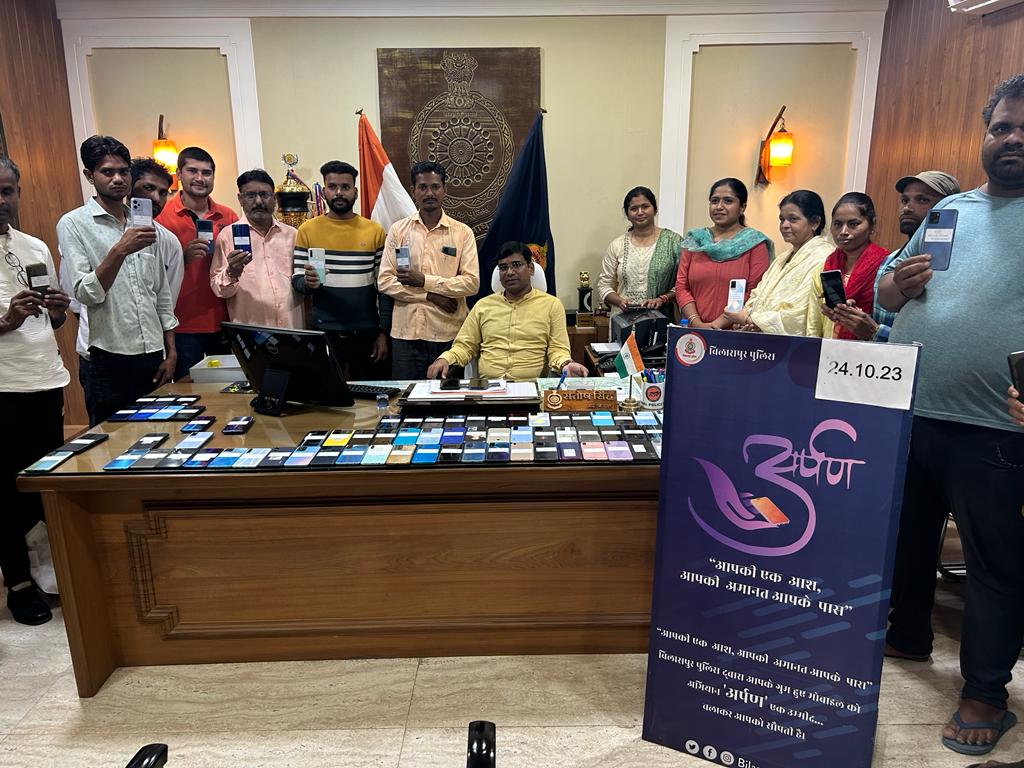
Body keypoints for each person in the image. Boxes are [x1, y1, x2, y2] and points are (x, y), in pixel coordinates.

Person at [876, 73, 1024, 758]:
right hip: (913, 412)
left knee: (994, 563)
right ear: (984, 135)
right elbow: (887, 294)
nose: (1013, 138)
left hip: (997, 427)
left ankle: (986, 694)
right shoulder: (950, 212)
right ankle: (907, 635)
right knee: (906, 537)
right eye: (1003, 127)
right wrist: (894, 284)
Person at [58, 136, 177, 426]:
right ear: (90, 175)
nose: (118, 179)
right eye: (107, 172)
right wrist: (120, 250)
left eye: (123, 171)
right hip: (107, 357)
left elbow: (161, 293)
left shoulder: (143, 223)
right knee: (111, 442)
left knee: (159, 434)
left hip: (153, 354)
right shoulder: (73, 224)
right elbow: (85, 293)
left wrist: (171, 351)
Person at [0, 156, 70, 626]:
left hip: (46, 379)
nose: (1, 200)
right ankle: (18, 583)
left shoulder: (34, 246)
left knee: (43, 484)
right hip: (3, 387)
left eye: (8, 191)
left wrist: (59, 309)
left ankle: (48, 570)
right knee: (6, 490)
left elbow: (53, 320)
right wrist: (6, 320)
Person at [426, 241, 588, 380]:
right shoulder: (483, 306)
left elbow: (558, 349)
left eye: (516, 265)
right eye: (503, 268)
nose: (509, 272)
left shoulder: (551, 305)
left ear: (531, 268)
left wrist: (566, 364)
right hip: (489, 390)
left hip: (531, 390)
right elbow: (464, 346)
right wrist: (444, 359)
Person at [378, 161, 479, 379]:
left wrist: (424, 280)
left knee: (449, 398)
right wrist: (431, 295)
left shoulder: (462, 233)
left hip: (448, 335)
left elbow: (471, 283)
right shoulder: (398, 231)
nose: (429, 193)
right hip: (405, 336)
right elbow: (385, 281)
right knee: (407, 396)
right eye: (423, 187)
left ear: (444, 189)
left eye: (435, 186)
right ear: (413, 191)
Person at [292, 160, 389, 379]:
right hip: (324, 331)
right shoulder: (307, 230)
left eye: (345, 187)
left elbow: (383, 287)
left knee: (370, 393)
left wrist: (383, 332)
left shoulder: (374, 231)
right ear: (324, 191)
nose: (339, 193)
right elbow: (296, 279)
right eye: (332, 186)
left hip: (366, 332)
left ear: (355, 191)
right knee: (327, 394)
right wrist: (307, 283)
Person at [154, 146, 237, 380]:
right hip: (181, 325)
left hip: (222, 322)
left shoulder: (228, 216)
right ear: (179, 174)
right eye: (192, 171)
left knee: (228, 389)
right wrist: (182, 259)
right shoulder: (161, 216)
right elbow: (149, 273)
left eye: (207, 172)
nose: (200, 178)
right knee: (188, 390)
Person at [722, 190, 833, 334]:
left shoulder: (824, 257)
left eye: (793, 219)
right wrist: (745, 318)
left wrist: (750, 320)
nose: (784, 225)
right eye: (782, 219)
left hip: (797, 344)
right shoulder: (782, 258)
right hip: (764, 340)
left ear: (815, 223)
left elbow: (798, 314)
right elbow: (758, 294)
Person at [867, 171, 960, 342]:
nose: (907, 208)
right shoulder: (890, 260)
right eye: (905, 200)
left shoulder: (953, 265)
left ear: (948, 207)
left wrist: (876, 332)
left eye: (922, 200)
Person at [674, 178, 772, 328]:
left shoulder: (754, 244)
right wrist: (696, 322)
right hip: (694, 331)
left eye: (728, 201)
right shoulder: (695, 241)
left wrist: (717, 325)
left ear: (742, 207)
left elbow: (754, 291)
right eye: (714, 201)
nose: (719, 207)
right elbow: (682, 286)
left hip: (735, 332)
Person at [211, 169, 301, 329]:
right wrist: (232, 272)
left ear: (274, 198)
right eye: (251, 195)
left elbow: (302, 284)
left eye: (265, 195)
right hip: (252, 334)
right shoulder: (227, 236)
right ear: (240, 199)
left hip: (292, 330)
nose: (259, 201)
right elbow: (219, 290)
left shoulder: (292, 235)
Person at [806, 192, 890, 340]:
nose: (843, 232)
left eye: (853, 224)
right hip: (830, 346)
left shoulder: (886, 265)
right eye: (837, 224)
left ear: (872, 225)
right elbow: (816, 322)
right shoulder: (829, 264)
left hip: (870, 348)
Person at [598, 186, 682, 323]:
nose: (640, 212)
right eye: (634, 208)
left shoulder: (673, 242)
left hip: (663, 319)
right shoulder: (617, 245)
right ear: (627, 214)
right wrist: (619, 301)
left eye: (645, 206)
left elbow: (684, 283)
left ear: (655, 209)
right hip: (623, 320)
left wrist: (663, 298)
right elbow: (604, 285)